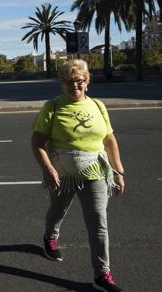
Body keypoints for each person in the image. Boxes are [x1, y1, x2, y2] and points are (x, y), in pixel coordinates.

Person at [31, 59, 125, 292]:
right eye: (69, 82)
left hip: (95, 171)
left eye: (79, 81)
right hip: (63, 172)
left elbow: (109, 140)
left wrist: (118, 171)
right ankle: (50, 236)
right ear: (62, 83)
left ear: (87, 82)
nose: (75, 85)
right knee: (58, 209)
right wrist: (48, 168)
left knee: (98, 223)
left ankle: (102, 274)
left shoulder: (98, 106)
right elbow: (37, 142)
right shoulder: (52, 107)